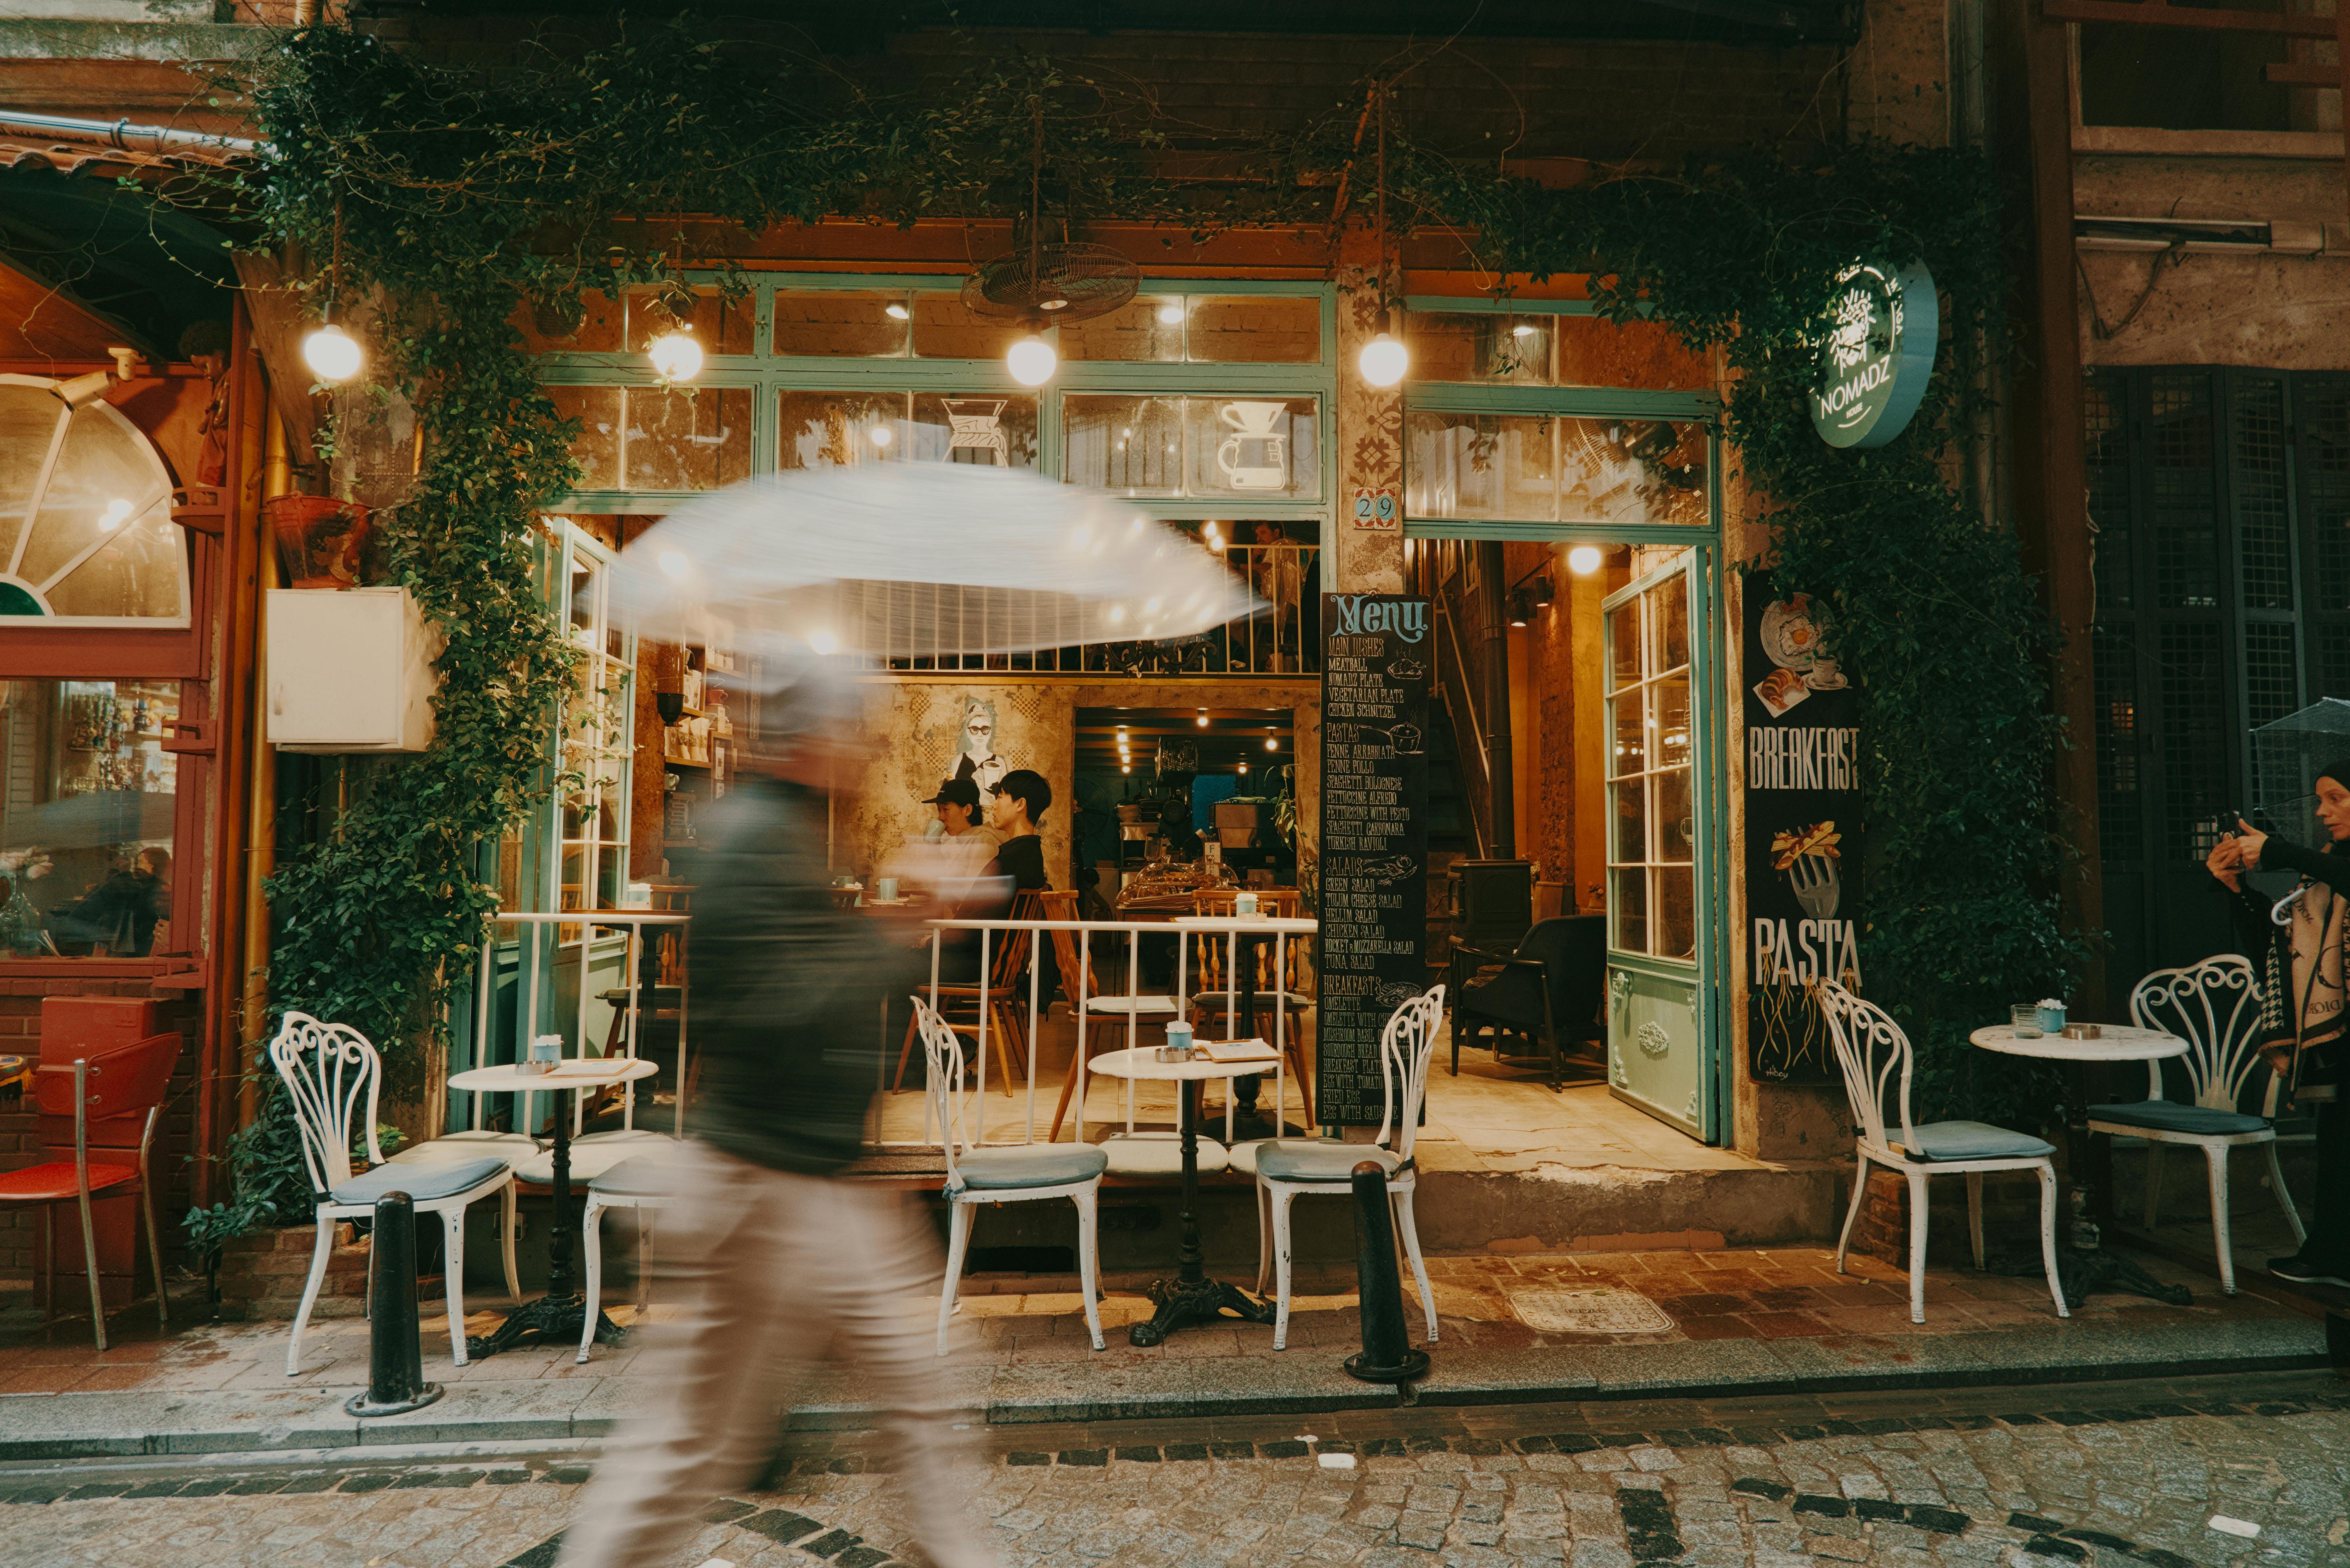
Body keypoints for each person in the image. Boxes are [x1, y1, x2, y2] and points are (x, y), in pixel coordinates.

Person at [557, 657, 996, 1568]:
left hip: (801, 1181)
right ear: (810, 741)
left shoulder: (780, 832)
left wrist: (899, 924)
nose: (869, 747)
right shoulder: (759, 840)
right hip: (773, 1189)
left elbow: (806, 986)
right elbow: (787, 1008)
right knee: (695, 1444)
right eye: (855, 730)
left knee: (903, 1398)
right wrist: (911, 925)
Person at [2208, 769, 2350, 1289]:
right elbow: (2278, 950)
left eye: (2336, 799)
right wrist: (2234, 885)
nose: (2322, 811)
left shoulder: (2329, 869)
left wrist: (2280, 849)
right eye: (2320, 800)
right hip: (2336, 1035)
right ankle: (2331, 1254)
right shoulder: (2326, 871)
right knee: (2336, 1145)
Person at [981, 768, 1050, 892]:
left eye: (1000, 797)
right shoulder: (1030, 853)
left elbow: (974, 911)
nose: (994, 805)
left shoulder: (1011, 861)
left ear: (1020, 804)